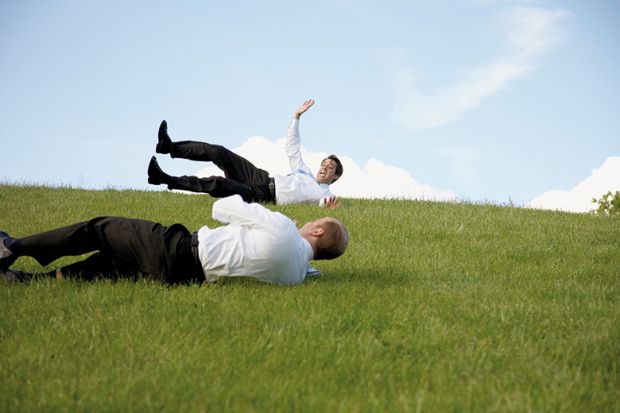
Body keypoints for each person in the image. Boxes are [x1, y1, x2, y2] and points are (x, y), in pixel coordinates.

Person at [0, 195, 349, 285]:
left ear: (316, 231)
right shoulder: (297, 275)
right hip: (186, 277)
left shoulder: (284, 228)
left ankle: (11, 247)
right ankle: (27, 281)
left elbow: (222, 208)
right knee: (109, 265)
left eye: (315, 222)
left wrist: (277, 220)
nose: (308, 223)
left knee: (100, 229)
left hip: (179, 248)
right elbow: (310, 272)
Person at [147, 99, 343, 208]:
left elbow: (324, 204)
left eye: (330, 167)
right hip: (261, 177)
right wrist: (296, 117)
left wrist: (332, 207)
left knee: (218, 184)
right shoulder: (304, 171)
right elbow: (292, 147)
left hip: (262, 195)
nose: (325, 167)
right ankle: (169, 147)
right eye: (324, 163)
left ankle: (163, 178)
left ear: (335, 176)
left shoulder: (324, 193)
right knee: (218, 152)